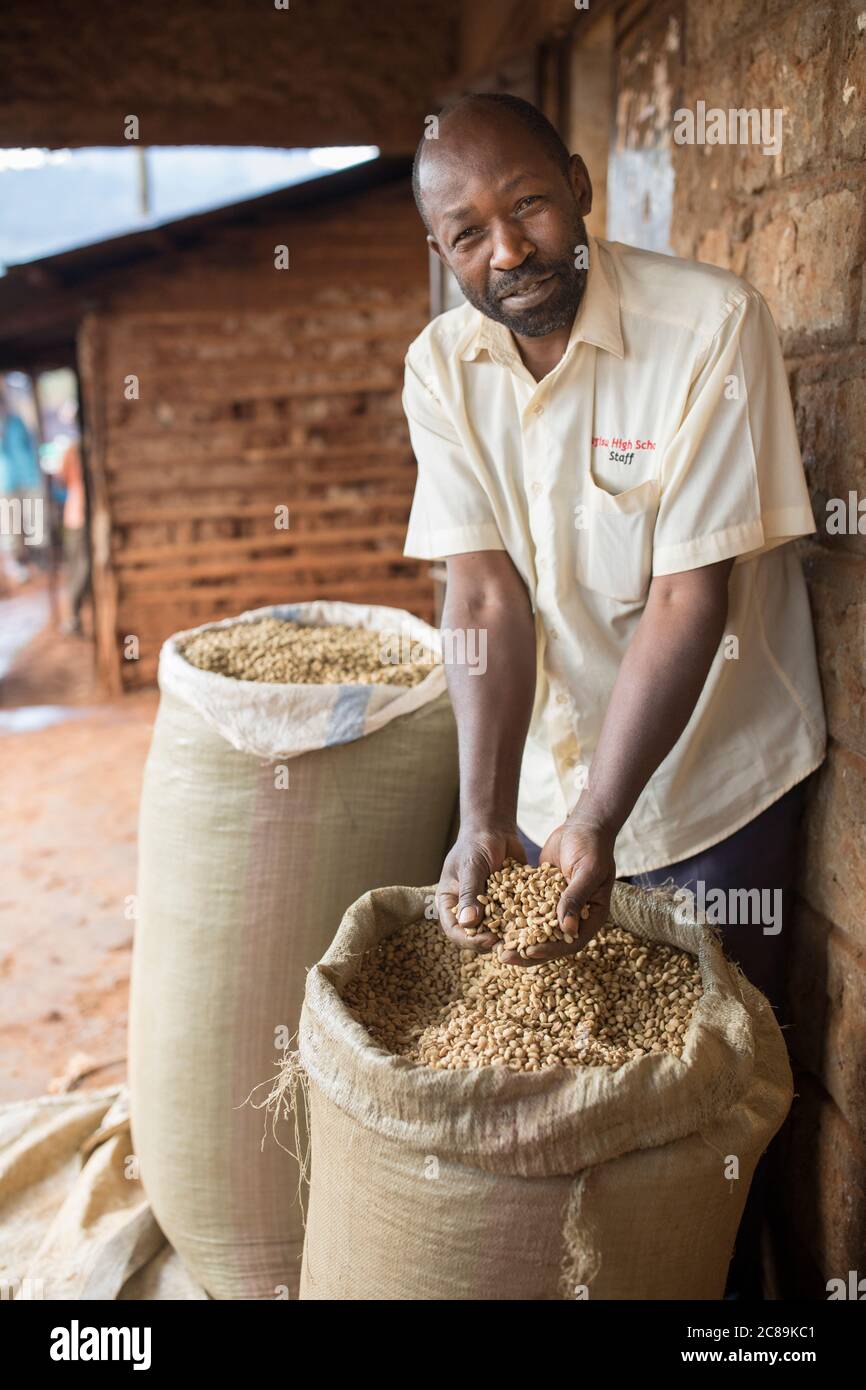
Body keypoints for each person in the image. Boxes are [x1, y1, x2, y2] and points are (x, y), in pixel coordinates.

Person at [403, 93, 827, 1298]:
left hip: (711, 788)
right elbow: (482, 599)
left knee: (708, 1100)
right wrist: (491, 815)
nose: (507, 250)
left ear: (580, 185)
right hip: (549, 785)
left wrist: (599, 815)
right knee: (571, 1084)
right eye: (467, 233)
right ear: (440, 252)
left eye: (527, 203)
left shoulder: (707, 326)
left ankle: (728, 1301)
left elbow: (690, 604)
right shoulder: (442, 366)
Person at [0, 386, 43, 584]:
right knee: (12, 527)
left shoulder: (17, 422)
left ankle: (40, 561)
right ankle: (21, 565)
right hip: (6, 481)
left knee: (34, 520)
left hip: (28, 476)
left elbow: (32, 446)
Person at [57, 438, 89, 634]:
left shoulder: (73, 451)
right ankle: (72, 617)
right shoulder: (77, 451)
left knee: (78, 569)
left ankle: (73, 617)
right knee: (81, 569)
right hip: (79, 519)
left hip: (74, 519)